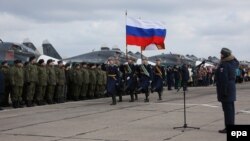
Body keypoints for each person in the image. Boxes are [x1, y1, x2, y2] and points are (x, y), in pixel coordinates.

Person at [215, 48, 239, 134]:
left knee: (228, 110)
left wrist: (224, 92)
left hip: (226, 90)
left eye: (221, 54)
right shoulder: (232, 63)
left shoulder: (224, 65)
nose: (220, 55)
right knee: (230, 110)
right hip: (230, 88)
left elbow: (224, 79)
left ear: (224, 55)